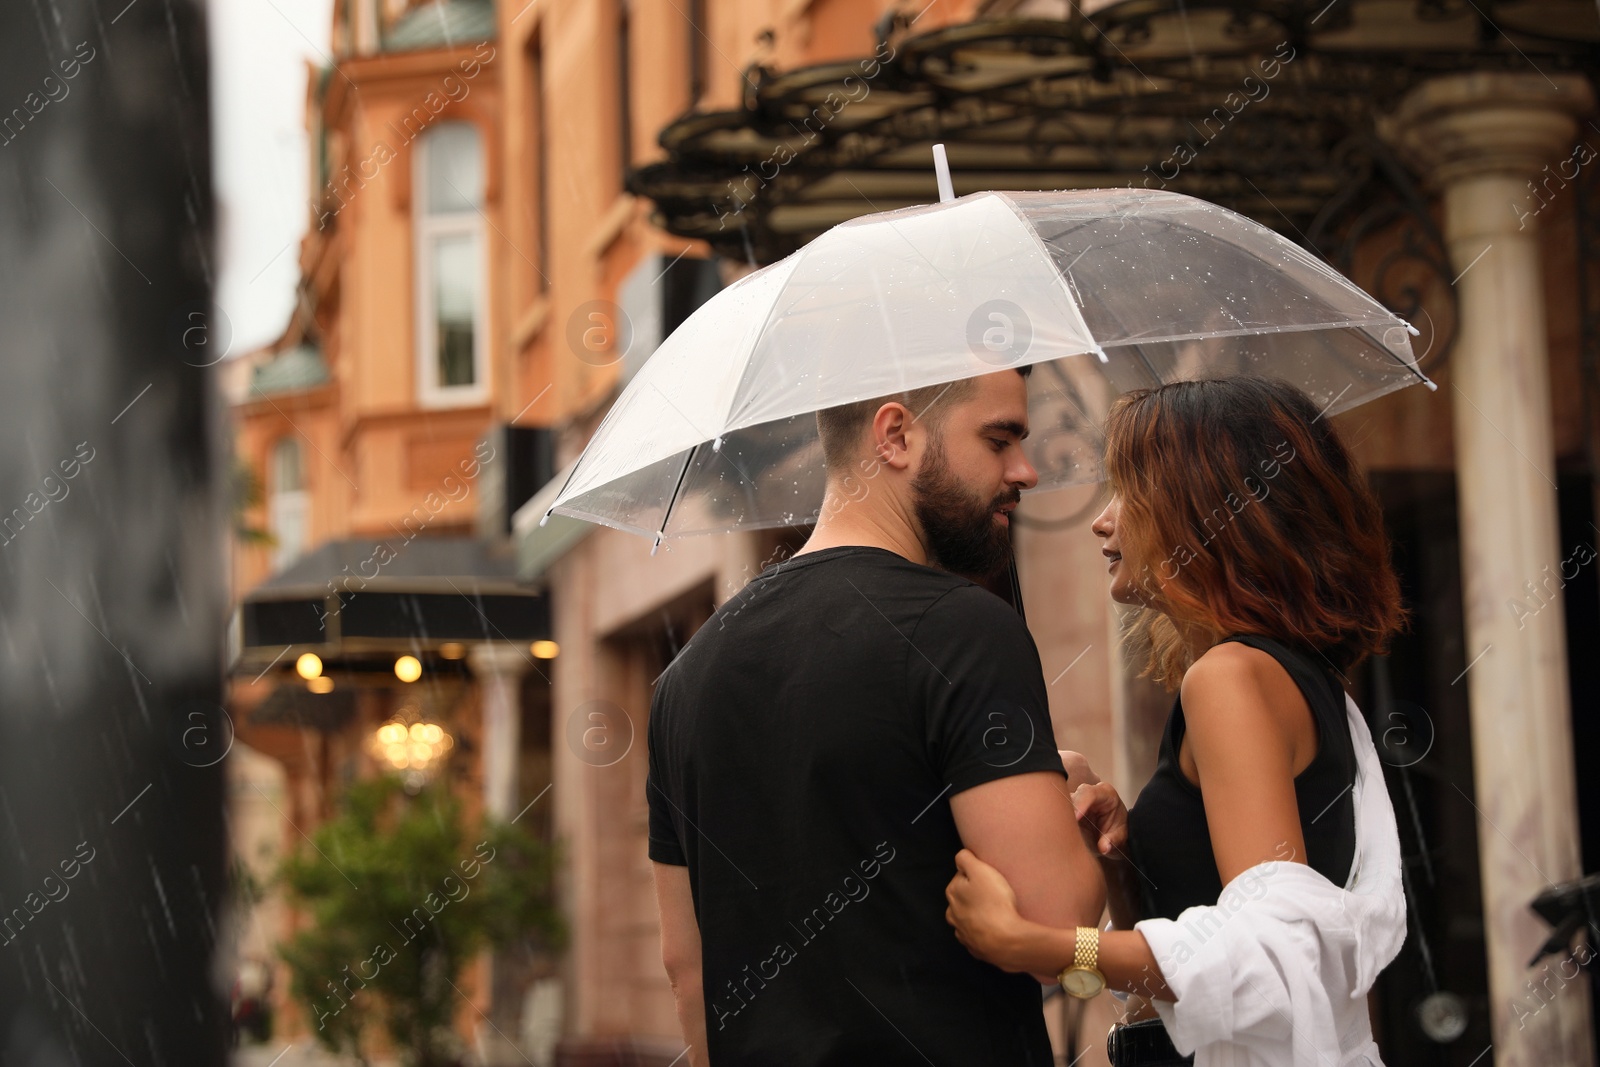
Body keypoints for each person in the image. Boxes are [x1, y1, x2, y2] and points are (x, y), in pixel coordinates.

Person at [647, 365, 1107, 1066]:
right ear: (895, 435)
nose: (1025, 470)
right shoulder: (963, 630)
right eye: (1000, 438)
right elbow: (1056, 931)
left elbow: (687, 967)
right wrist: (1077, 818)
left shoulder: (683, 681)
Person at [944, 376, 1409, 1067]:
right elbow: (1219, 945)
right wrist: (1132, 862)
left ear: (1210, 511)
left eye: (1131, 490)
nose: (1103, 519)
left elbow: (1270, 958)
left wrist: (1032, 943)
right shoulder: (1298, 681)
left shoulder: (1231, 679)